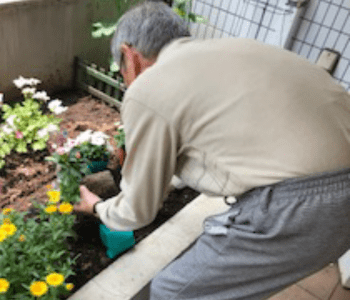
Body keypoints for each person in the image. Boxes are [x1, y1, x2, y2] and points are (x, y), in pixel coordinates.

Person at [75, 2, 350, 299]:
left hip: (309, 205)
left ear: (130, 56)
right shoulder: (233, 50)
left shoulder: (150, 86)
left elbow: (137, 211)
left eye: (122, 72)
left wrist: (98, 209)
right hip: (332, 197)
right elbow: (218, 143)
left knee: (173, 292)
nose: (126, 82)